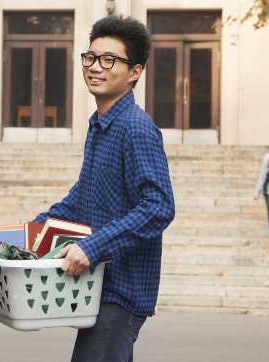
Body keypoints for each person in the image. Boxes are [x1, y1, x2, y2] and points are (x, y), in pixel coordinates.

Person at [32, 16, 175, 362]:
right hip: (98, 287)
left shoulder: (136, 128)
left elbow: (158, 207)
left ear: (134, 72)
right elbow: (82, 198)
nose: (96, 67)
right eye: (91, 58)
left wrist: (93, 247)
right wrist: (31, 231)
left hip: (121, 291)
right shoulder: (100, 126)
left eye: (109, 60)